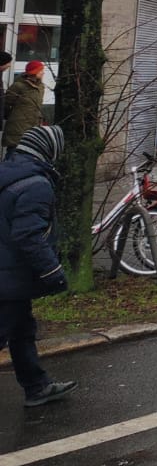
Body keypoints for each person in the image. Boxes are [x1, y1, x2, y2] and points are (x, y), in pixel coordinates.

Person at [0, 126, 77, 407]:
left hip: (8, 272)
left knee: (21, 330)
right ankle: (36, 387)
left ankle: (37, 386)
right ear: (50, 150)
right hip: (10, 275)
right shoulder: (36, 184)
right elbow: (28, 235)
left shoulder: (7, 171)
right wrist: (52, 272)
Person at [3, 61, 48, 154]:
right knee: (14, 155)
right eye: (41, 71)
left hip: (34, 127)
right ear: (34, 72)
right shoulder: (18, 86)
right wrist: (12, 117)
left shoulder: (41, 87)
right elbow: (6, 104)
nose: (43, 73)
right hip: (18, 128)